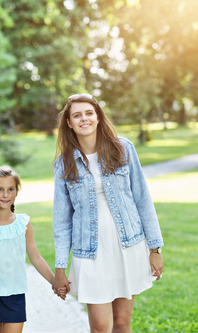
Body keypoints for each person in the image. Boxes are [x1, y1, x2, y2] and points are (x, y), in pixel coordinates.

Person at [51, 93, 164, 332]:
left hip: (128, 246)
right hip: (90, 253)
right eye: (77, 115)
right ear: (69, 123)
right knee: (101, 327)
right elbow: (62, 222)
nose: (84, 119)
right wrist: (60, 268)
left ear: (99, 117)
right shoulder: (64, 164)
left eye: (89, 113)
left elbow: (143, 199)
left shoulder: (123, 149)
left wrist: (154, 249)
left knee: (122, 324)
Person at [0, 166, 65, 333]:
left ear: (16, 192)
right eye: (0, 189)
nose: (5, 195)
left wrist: (54, 281)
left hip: (15, 294)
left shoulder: (23, 223)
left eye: (10, 189)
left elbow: (35, 257)